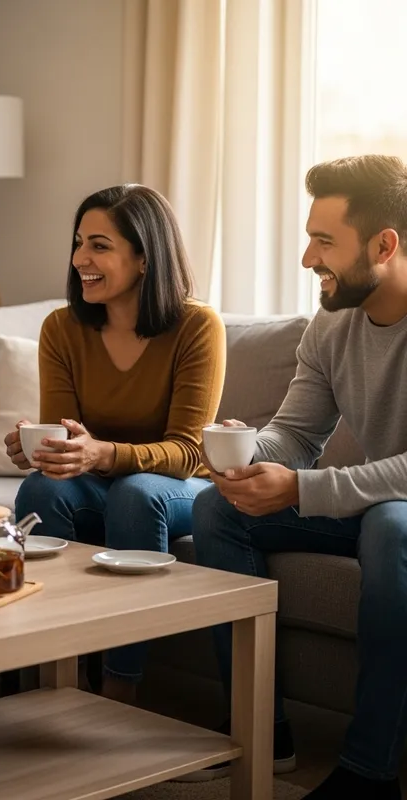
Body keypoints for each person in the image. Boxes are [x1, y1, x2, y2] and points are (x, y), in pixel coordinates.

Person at [191, 155, 407, 799]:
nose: (308, 258)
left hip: (394, 516)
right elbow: (298, 434)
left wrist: (303, 488)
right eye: (309, 238)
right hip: (370, 508)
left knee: (391, 526)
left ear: (384, 244)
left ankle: (371, 773)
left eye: (324, 242)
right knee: (215, 510)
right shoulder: (332, 322)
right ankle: (263, 729)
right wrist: (247, 453)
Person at [5, 184, 226, 703]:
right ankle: (53, 675)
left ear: (145, 258)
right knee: (41, 491)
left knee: (138, 493)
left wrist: (103, 453)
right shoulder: (61, 328)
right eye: (79, 242)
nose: (80, 258)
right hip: (106, 482)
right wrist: (42, 449)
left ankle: (118, 690)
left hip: (180, 489)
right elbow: (66, 434)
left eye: (99, 245)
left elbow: (192, 451)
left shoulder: (197, 326)